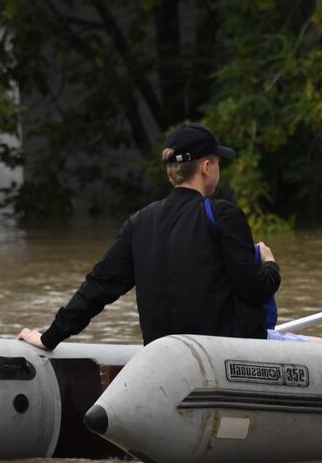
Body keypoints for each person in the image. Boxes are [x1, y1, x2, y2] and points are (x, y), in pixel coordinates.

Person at [18, 122, 288, 350]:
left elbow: (98, 288)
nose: (217, 169)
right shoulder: (224, 214)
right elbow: (255, 290)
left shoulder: (139, 222)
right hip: (224, 355)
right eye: (217, 163)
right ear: (206, 167)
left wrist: (49, 337)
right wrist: (269, 264)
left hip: (164, 355)